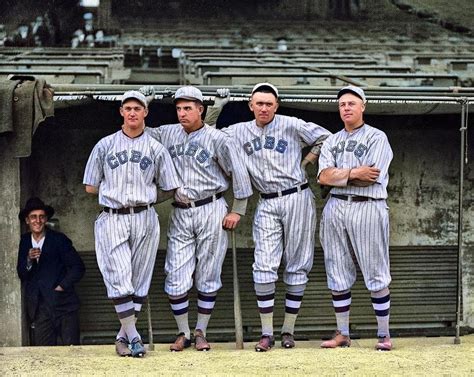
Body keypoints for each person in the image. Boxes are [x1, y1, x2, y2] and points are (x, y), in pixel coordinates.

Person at [222, 83, 331, 351]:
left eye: (269, 103)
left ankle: (288, 331)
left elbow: (327, 137)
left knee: (297, 263)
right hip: (267, 200)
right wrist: (217, 107)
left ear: (276, 105)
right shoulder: (238, 131)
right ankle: (267, 332)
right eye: (259, 103)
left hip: (297, 195)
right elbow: (209, 134)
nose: (264, 108)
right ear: (250, 105)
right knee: (264, 265)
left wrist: (307, 161)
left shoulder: (291, 124)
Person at [145, 86, 253, 352]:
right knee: (176, 274)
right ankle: (183, 332)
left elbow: (239, 173)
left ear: (201, 109)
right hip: (180, 209)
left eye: (188, 108)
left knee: (208, 272)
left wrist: (237, 209)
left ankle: (201, 330)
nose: (182, 113)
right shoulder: (168, 132)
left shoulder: (219, 139)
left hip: (211, 207)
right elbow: (139, 131)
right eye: (179, 108)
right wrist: (144, 102)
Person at [83, 90, 180, 357]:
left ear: (146, 112)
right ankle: (135, 337)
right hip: (113, 216)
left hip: (144, 216)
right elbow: (90, 186)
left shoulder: (156, 148)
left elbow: (170, 186)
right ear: (121, 112)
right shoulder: (104, 145)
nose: (133, 113)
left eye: (138, 108)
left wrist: (145, 197)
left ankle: (122, 337)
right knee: (118, 277)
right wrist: (116, 192)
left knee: (139, 281)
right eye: (128, 108)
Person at [317, 85, 393, 351]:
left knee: (376, 271)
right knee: (336, 270)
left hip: (368, 206)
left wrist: (340, 175)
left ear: (363, 106)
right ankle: (343, 333)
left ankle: (383, 334)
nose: (346, 108)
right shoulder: (332, 140)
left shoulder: (377, 137)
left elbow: (371, 177)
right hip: (335, 207)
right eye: (342, 104)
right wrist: (353, 173)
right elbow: (323, 177)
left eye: (351, 103)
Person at [17, 197, 85, 346]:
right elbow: (22, 274)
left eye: (41, 217)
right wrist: (28, 259)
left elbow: (78, 267)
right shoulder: (24, 242)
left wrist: (61, 286)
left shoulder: (59, 240)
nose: (38, 220)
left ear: (46, 219)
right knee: (43, 355)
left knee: (72, 352)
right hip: (40, 310)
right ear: (27, 221)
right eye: (33, 217)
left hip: (64, 306)